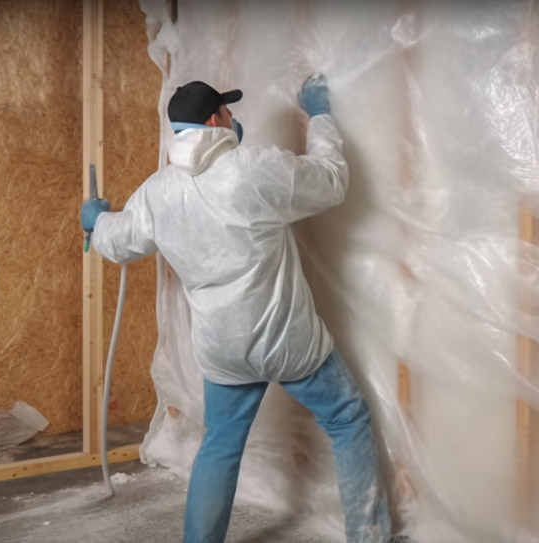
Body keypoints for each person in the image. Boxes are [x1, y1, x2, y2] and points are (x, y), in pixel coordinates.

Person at [81, 76, 403, 543]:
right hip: (285, 339)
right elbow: (332, 180)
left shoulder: (159, 190)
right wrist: (321, 116)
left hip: (222, 348)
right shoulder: (253, 169)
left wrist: (96, 219)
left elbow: (121, 240)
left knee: (220, 445)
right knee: (347, 418)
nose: (234, 120)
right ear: (215, 120)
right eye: (229, 114)